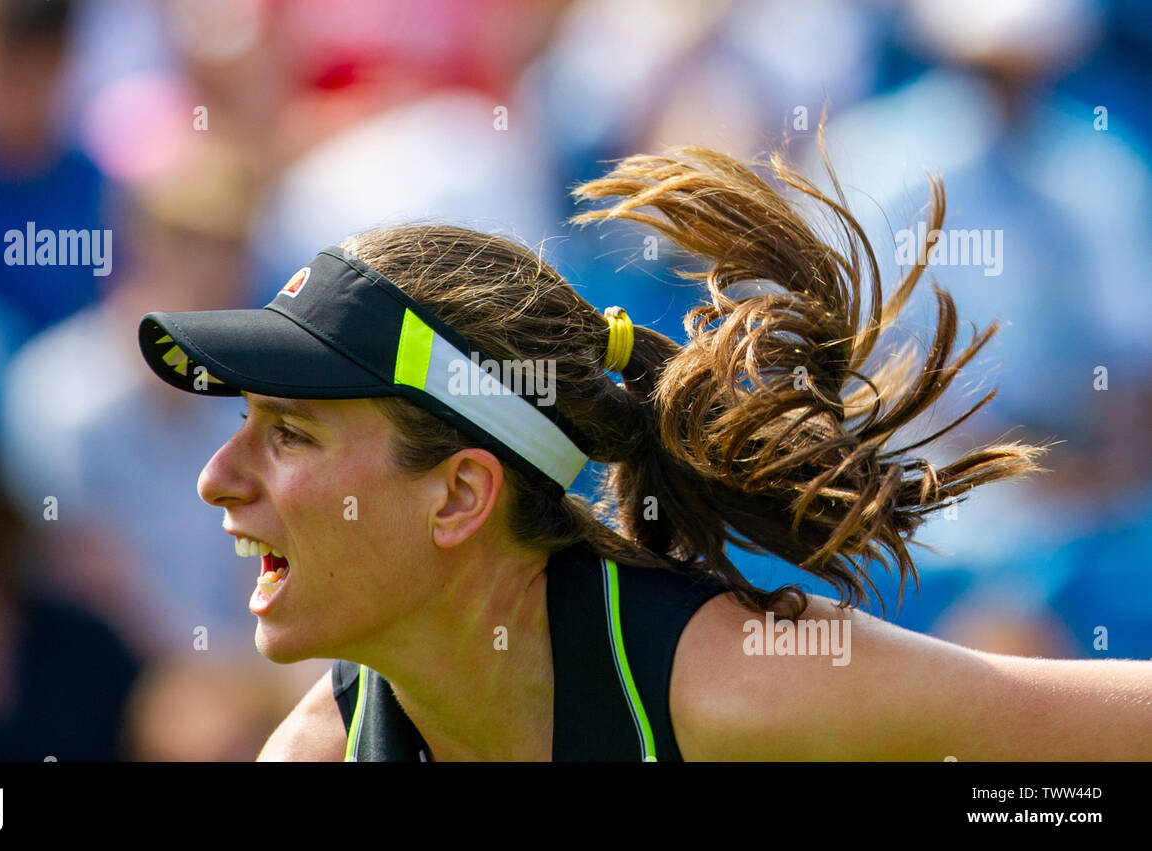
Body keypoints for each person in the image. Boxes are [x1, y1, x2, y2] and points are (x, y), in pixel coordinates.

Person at [135, 139, 1152, 761]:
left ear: (458, 496)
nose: (216, 479)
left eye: (290, 434)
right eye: (243, 427)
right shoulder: (318, 749)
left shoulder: (734, 688)